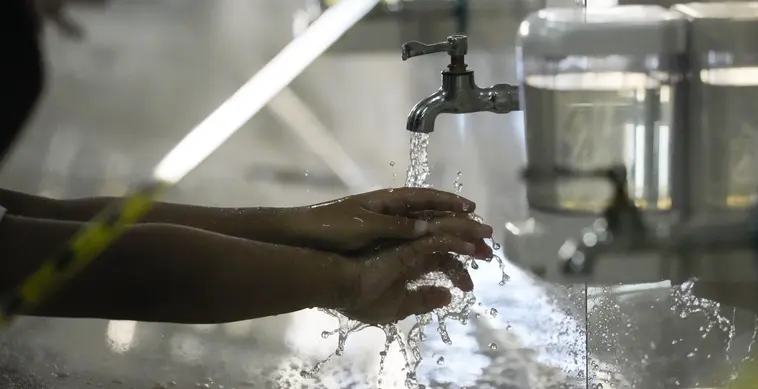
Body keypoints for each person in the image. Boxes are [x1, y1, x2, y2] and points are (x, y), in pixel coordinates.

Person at [0, 0, 494, 326]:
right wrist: (344, 280)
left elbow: (33, 224)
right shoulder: (15, 51)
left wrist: (304, 229)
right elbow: (125, 272)